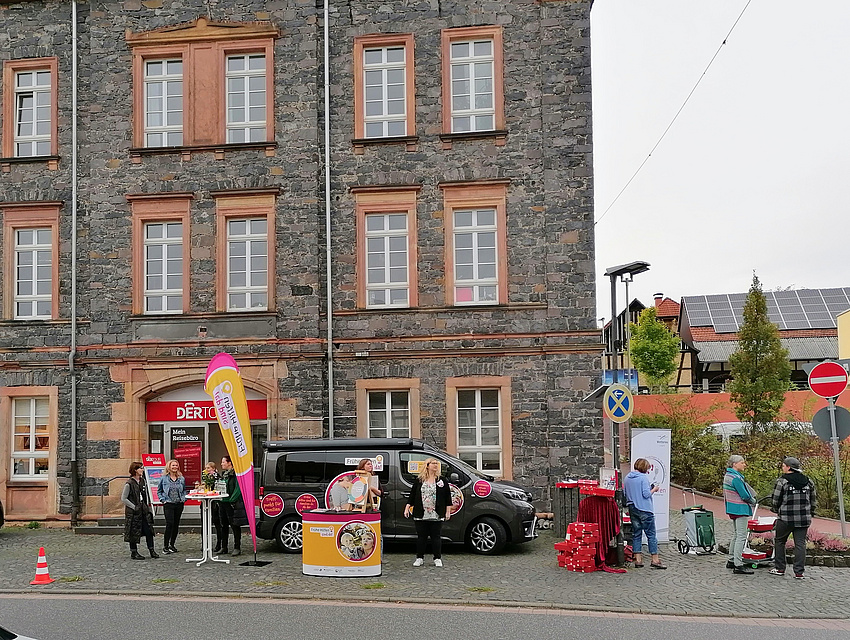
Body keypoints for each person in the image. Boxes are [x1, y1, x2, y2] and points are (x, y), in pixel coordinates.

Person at [769, 456, 817, 579]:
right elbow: (813, 499)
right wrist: (811, 512)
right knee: (800, 544)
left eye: (784, 465)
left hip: (786, 518)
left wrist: (776, 510)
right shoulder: (808, 481)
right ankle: (799, 572)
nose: (782, 467)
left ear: (789, 467)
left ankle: (780, 568)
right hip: (804, 518)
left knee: (780, 541)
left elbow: (775, 499)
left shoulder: (782, 481)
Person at [404, 457, 452, 567]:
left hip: (436, 513)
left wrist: (447, 511)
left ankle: (437, 558)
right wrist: (407, 508)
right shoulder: (419, 480)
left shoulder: (442, 480)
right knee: (421, 537)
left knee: (436, 536)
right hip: (421, 512)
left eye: (436, 463)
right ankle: (419, 557)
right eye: (433, 463)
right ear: (427, 465)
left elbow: (447, 497)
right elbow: (412, 496)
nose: (435, 465)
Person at [623, 458, 666, 569]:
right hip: (645, 509)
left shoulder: (627, 478)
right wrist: (654, 489)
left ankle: (638, 560)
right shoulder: (643, 479)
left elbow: (625, 493)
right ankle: (655, 560)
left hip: (633, 508)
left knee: (636, 534)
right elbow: (646, 494)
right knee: (651, 535)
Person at [723, 454, 757, 574]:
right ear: (734, 464)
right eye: (742, 462)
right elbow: (744, 495)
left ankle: (731, 560)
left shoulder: (728, 475)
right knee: (741, 536)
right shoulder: (736, 478)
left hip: (732, 508)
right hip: (740, 509)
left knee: (736, 534)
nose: (744, 465)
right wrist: (752, 501)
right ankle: (738, 564)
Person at [122, 462, 158, 560]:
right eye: (140, 468)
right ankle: (134, 552)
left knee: (149, 530)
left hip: (143, 510)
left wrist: (148, 507)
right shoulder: (129, 483)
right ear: (135, 470)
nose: (142, 470)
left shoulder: (143, 481)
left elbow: (145, 495)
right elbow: (124, 498)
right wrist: (134, 507)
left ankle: (151, 550)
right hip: (134, 512)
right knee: (133, 531)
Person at [157, 459, 187, 554]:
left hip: (179, 504)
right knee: (169, 524)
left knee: (176, 524)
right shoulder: (164, 478)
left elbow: (184, 490)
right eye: (173, 465)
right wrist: (163, 500)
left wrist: (183, 499)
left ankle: (172, 544)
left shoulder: (181, 478)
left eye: (176, 465)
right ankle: (165, 546)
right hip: (168, 504)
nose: (175, 467)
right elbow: (159, 491)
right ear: (169, 467)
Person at [220, 455, 248, 556]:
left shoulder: (235, 474)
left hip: (231, 503)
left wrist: (232, 500)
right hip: (223, 502)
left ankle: (237, 547)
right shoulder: (224, 474)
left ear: (229, 463)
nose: (221, 464)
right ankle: (224, 547)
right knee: (223, 525)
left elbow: (238, 488)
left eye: (223, 462)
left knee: (234, 525)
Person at [204, 461, 225, 553]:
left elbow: (218, 487)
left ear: (213, 468)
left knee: (217, 524)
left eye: (208, 468)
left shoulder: (217, 476)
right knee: (206, 523)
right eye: (206, 468)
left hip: (215, 503)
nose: (207, 470)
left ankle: (219, 543)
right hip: (207, 502)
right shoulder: (206, 476)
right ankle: (205, 544)